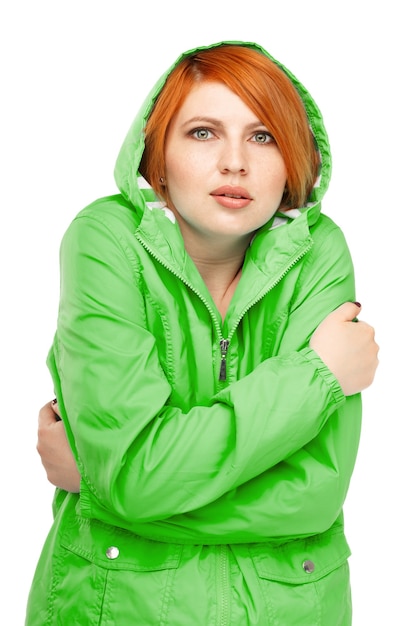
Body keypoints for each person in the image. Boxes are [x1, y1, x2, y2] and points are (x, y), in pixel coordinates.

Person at [26, 41, 379, 625]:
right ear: (155, 153)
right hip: (117, 608)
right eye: (203, 132)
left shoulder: (320, 252)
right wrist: (316, 376)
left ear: (294, 159)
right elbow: (135, 478)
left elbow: (314, 494)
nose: (235, 162)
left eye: (263, 136)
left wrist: (100, 486)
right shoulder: (105, 241)